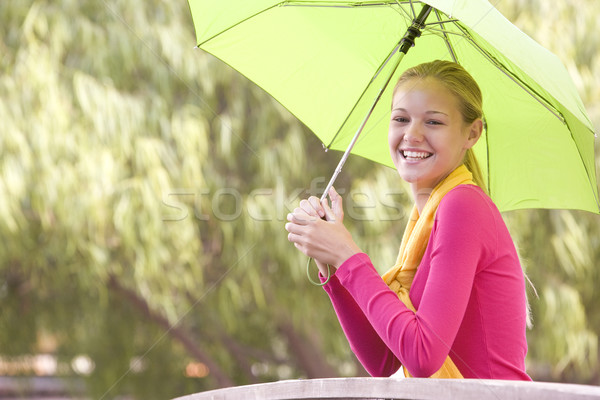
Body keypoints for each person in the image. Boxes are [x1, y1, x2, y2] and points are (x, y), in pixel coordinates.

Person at [284, 60, 531, 380]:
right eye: (401, 119)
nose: (412, 135)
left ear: (472, 133)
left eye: (433, 122)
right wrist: (330, 262)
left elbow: (423, 356)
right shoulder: (425, 222)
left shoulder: (463, 205)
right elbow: (386, 360)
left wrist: (348, 255)